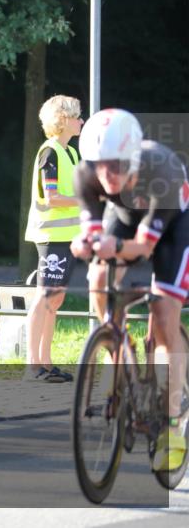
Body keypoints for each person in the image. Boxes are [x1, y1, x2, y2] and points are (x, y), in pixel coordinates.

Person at [70, 108, 189, 472]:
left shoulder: (162, 173)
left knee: (163, 313)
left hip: (172, 225)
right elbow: (93, 230)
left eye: (118, 165)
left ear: (134, 158)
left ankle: (172, 426)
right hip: (124, 217)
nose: (108, 174)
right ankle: (114, 341)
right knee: (98, 277)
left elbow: (143, 248)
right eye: (101, 165)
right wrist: (86, 242)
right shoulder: (85, 173)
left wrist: (113, 248)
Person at [24, 96, 84, 382]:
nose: (82, 121)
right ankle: (32, 365)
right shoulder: (49, 152)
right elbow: (52, 198)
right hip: (50, 236)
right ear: (63, 120)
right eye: (77, 116)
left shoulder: (71, 153)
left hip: (68, 237)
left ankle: (46, 362)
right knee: (45, 296)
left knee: (55, 299)